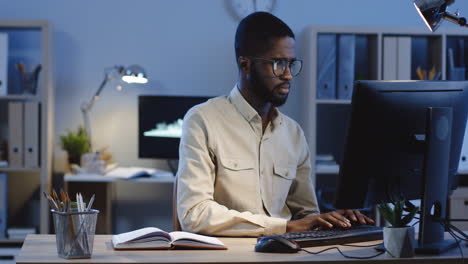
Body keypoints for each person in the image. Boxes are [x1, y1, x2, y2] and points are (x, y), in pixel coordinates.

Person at [176, 12, 373, 237]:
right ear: (245, 64)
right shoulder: (203, 120)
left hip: (285, 251)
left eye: (291, 64)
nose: (288, 75)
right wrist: (283, 227)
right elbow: (194, 214)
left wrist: (333, 219)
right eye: (278, 64)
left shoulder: (293, 133)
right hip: (228, 254)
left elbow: (305, 214)